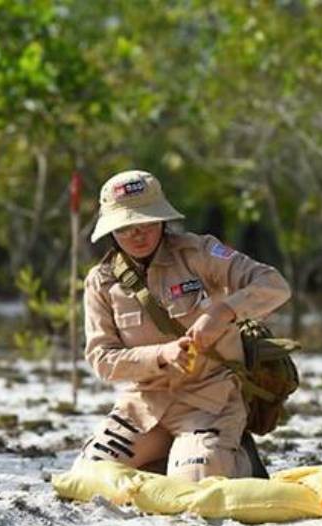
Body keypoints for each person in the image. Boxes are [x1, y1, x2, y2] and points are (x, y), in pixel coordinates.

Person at [79, 169, 291, 481]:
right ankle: (171, 458)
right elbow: (102, 361)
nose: (137, 234)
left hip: (210, 400)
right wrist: (162, 355)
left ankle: (234, 456)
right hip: (144, 405)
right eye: (126, 227)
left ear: (162, 220)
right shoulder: (102, 281)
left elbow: (274, 285)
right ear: (111, 229)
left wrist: (224, 312)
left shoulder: (199, 254)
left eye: (146, 223)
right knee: (89, 475)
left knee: (197, 478)